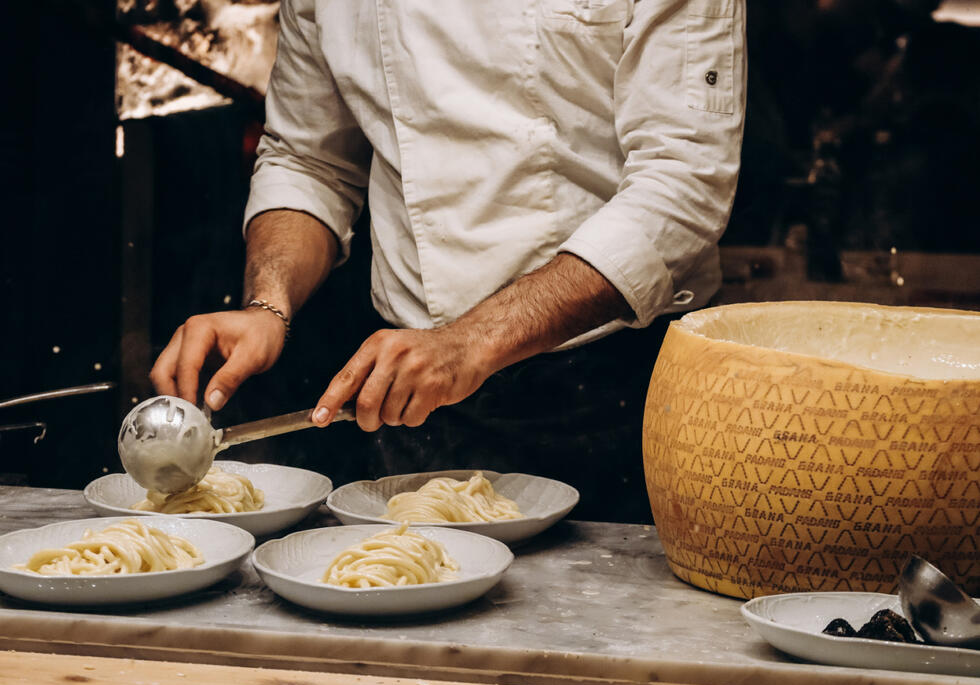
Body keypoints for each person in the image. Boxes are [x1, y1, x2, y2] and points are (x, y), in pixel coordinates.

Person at [151, 0, 747, 522]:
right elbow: (310, 159)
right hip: (416, 398)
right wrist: (268, 304)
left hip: (617, 384)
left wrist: (468, 343)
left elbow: (683, 182)